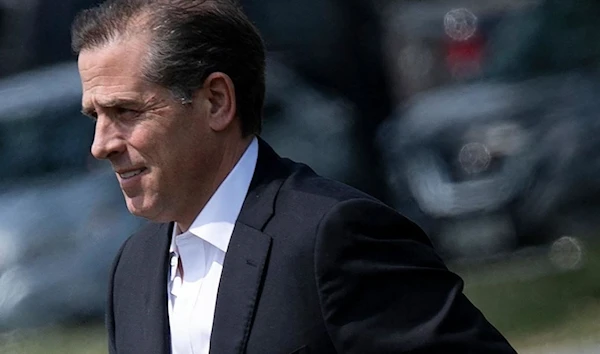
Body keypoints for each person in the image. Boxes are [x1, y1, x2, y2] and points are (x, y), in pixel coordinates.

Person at [71, 0, 517, 353]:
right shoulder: (133, 269)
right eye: (95, 116)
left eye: (126, 111)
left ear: (216, 102)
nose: (101, 143)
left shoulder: (335, 238)